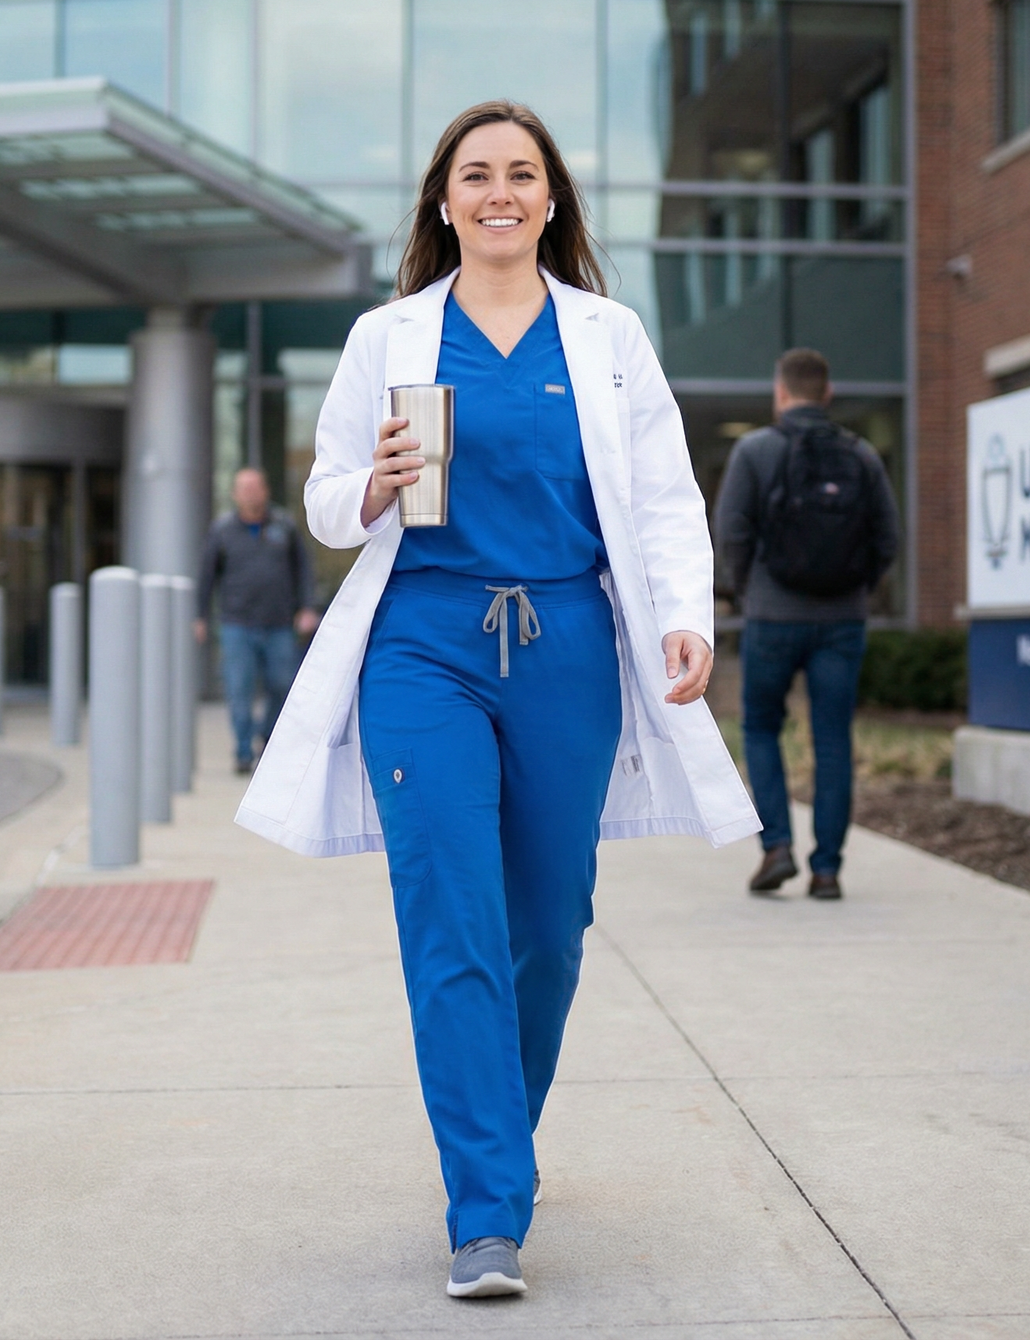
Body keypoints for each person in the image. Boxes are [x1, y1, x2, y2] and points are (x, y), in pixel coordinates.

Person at [234, 100, 759, 1300]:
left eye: (522, 173)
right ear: (442, 201)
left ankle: (494, 1138)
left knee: (549, 927)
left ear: (554, 198)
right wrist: (371, 483)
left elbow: (669, 496)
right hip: (423, 643)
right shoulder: (390, 336)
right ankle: (486, 1208)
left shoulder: (610, 335)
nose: (499, 192)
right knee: (451, 917)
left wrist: (687, 612)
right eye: (475, 175)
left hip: (569, 642)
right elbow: (321, 496)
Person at [714, 347, 899, 901]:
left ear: (781, 394)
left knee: (761, 729)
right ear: (828, 394)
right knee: (833, 739)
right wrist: (855, 590)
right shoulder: (862, 456)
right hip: (842, 620)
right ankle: (827, 870)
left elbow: (730, 533)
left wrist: (751, 591)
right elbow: (888, 538)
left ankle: (776, 847)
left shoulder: (755, 450)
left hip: (772, 616)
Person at [194, 467, 320, 774]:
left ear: (266, 491)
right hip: (237, 624)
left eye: (256, 487)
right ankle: (242, 751)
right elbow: (207, 577)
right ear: (235, 495)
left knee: (282, 685)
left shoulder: (284, 527)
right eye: (244, 489)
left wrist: (307, 607)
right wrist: (200, 616)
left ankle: (266, 739)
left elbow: (302, 570)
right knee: (239, 690)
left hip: (278, 623)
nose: (251, 494)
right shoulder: (222, 530)